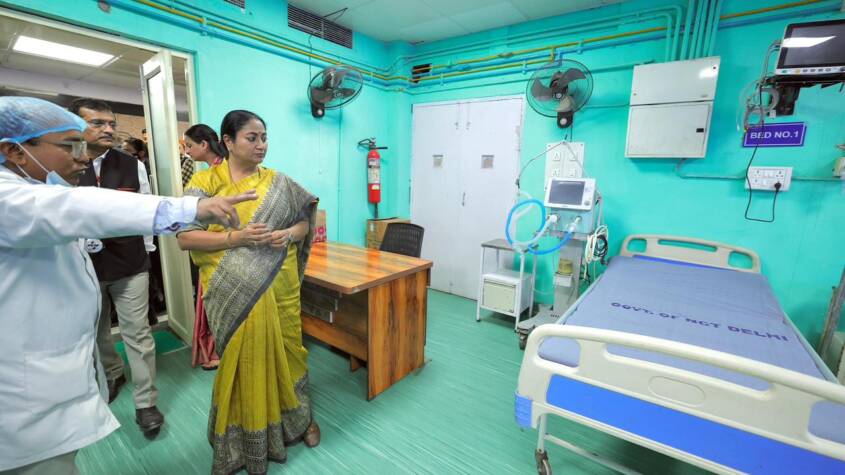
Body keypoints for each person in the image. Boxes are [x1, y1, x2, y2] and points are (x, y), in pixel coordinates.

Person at [0, 96, 256, 474]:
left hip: (124, 271)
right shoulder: (12, 197)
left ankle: (143, 401)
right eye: (70, 145)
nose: (82, 157)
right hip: (25, 401)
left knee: (137, 334)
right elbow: (80, 208)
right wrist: (191, 209)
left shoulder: (72, 178)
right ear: (14, 151)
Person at [177, 110, 320, 475]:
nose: (261, 145)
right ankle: (242, 439)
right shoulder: (205, 183)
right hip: (232, 293)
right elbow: (185, 238)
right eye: (252, 138)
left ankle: (300, 419)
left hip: (280, 287)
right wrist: (236, 238)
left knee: (290, 352)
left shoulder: (279, 183)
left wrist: (287, 234)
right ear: (228, 141)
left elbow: (304, 223)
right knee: (244, 363)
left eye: (264, 137)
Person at [69, 98, 163, 438]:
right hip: (83, 266)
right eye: (98, 123)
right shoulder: (64, 164)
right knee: (97, 331)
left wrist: (147, 252)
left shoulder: (130, 164)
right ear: (76, 125)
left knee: (138, 333)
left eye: (111, 123)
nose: (108, 129)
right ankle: (111, 372)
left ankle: (146, 402)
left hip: (129, 262)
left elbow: (145, 209)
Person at [183, 124, 227, 370]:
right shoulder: (210, 174)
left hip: (221, 248)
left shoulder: (218, 174)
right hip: (215, 246)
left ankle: (218, 350)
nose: (187, 151)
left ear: (204, 144)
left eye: (189, 145)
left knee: (218, 304)